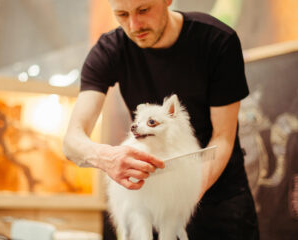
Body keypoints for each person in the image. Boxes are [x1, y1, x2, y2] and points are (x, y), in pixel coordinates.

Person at [63, 0, 259, 239]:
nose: (134, 25)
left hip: (219, 197)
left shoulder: (216, 40)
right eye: (122, 14)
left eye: (143, 10)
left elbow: (223, 137)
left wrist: (182, 196)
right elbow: (72, 141)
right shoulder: (110, 49)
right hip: (149, 202)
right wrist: (107, 157)